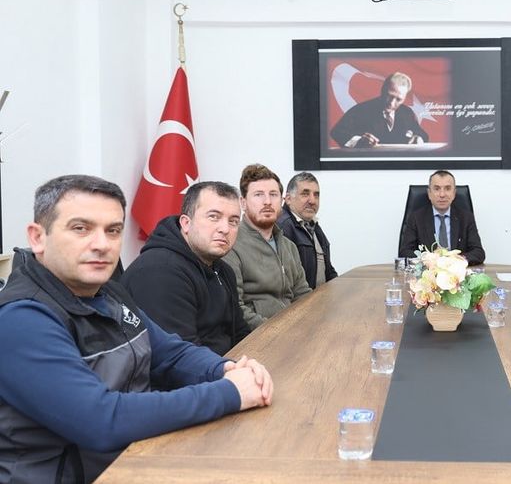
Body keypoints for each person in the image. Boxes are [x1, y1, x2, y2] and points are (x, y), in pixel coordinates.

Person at [0, 175, 272, 483]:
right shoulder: (21, 319)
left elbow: (171, 352)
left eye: (113, 230)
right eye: (81, 228)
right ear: (38, 237)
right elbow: (101, 420)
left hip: (137, 460)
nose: (102, 244)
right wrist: (230, 392)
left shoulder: (108, 293)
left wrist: (225, 368)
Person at [122, 182, 251, 355]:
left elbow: (240, 332)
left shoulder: (223, 270)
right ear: (186, 223)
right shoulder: (160, 272)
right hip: (194, 369)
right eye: (213, 217)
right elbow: (178, 357)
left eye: (233, 221)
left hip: (223, 364)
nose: (225, 229)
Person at [223, 165, 312, 329]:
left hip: (294, 331)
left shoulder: (289, 246)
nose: (267, 202)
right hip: (258, 337)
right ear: (243, 203)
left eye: (273, 194)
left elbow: (303, 296)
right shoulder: (230, 244)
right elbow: (236, 308)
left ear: (282, 201)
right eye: (258, 194)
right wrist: (276, 332)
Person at [399, 170, 485, 265]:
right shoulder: (416, 218)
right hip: (428, 271)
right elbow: (404, 252)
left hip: (456, 271)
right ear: (429, 193)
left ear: (454, 193)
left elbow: (478, 253)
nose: (442, 194)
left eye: (447, 189)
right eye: (437, 189)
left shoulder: (466, 218)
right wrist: (428, 259)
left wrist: (458, 259)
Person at [330, 71, 429, 148]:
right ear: (382, 90)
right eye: (389, 96)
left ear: (404, 98)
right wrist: (359, 141)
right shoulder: (361, 110)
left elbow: (423, 135)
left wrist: (418, 138)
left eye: (398, 99)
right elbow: (337, 132)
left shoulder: (407, 113)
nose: (391, 103)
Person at [277, 171, 338, 289]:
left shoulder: (313, 225)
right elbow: (285, 282)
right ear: (288, 199)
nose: (312, 201)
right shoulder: (282, 227)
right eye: (305, 194)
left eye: (316, 195)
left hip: (320, 298)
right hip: (302, 299)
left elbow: (329, 271)